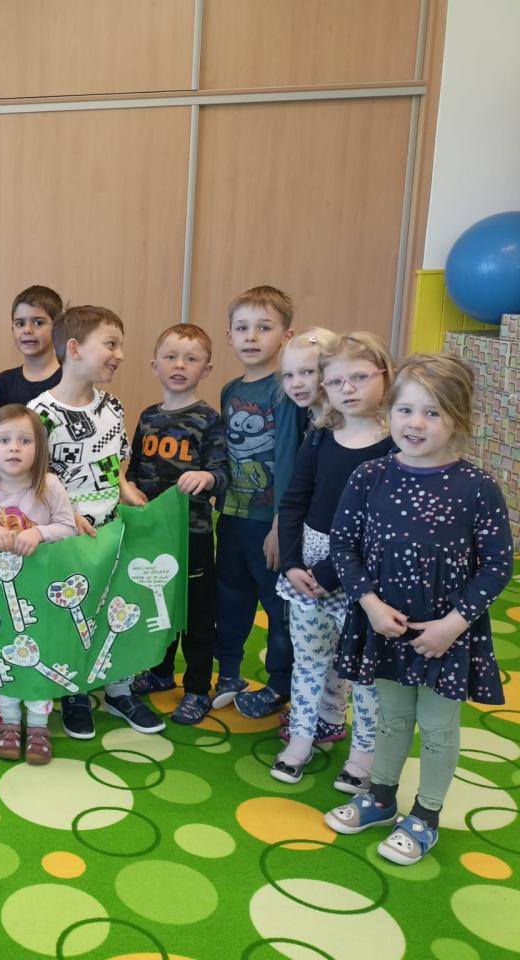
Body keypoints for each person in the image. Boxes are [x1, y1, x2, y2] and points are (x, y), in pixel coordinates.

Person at [323, 354, 512, 865]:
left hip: (446, 635)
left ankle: (426, 816)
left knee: (438, 726)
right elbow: (343, 545)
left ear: (459, 418)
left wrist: (454, 624)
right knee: (391, 716)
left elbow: (498, 565)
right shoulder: (369, 475)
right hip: (385, 625)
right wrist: (370, 605)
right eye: (406, 410)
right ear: (390, 412)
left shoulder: (478, 487)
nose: (415, 423)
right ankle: (381, 797)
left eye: (432, 412)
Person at [29, 305, 161, 737]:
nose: (120, 354)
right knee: (74, 612)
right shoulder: (39, 413)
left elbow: (115, 462)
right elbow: (33, 477)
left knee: (116, 606)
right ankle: (74, 692)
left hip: (112, 528)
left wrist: (126, 489)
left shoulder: (113, 406)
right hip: (68, 535)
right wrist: (67, 515)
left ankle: (120, 689)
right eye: (110, 344)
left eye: (120, 345)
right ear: (74, 348)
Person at [272, 332, 395, 787]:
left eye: (359, 378)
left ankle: (364, 755)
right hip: (307, 569)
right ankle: (302, 737)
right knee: (310, 660)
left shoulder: (394, 446)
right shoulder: (321, 437)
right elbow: (294, 501)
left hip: (363, 575)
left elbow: (382, 526)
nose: (348, 389)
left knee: (365, 672)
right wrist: (291, 564)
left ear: (385, 375)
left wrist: (329, 572)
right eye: (337, 381)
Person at [0, 405, 78, 764]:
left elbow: (68, 527)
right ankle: (10, 722)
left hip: (39, 594)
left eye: (25, 441)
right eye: (4, 440)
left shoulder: (50, 486)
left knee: (39, 653)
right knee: (5, 655)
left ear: (39, 449)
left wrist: (40, 533)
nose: (14, 447)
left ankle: (40, 725)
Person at [126, 324, 227, 724]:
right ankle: (160, 671)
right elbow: (134, 468)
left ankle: (198, 688)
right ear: (155, 366)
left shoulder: (208, 419)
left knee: (197, 615)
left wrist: (206, 477)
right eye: (170, 357)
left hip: (193, 535)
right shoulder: (148, 416)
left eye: (191, 358)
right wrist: (129, 492)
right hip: (153, 534)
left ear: (206, 369)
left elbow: (221, 472)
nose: (180, 365)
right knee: (159, 606)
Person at [212, 285, 306, 720]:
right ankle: (229, 672)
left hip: (269, 522)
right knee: (230, 598)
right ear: (229, 336)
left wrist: (281, 525)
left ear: (286, 337)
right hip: (232, 517)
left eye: (264, 328)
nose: (252, 337)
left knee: (277, 605)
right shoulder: (230, 389)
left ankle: (280, 683)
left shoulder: (285, 392)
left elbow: (288, 458)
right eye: (242, 328)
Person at [0, 285, 63, 413]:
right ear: (13, 330)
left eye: (38, 322)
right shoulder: (4, 383)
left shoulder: (69, 381)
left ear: (57, 328)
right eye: (20, 323)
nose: (27, 330)